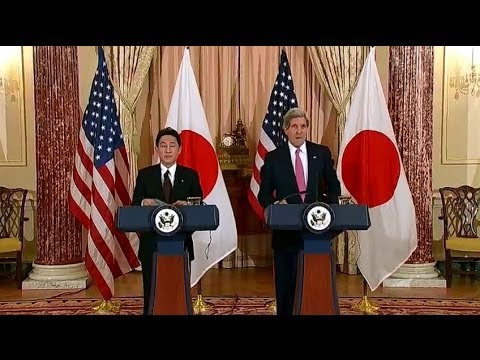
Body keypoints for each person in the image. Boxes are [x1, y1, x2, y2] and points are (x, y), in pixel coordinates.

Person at [257, 107, 341, 315]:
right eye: (294, 126)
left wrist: (329, 207)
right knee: (287, 290)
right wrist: (275, 205)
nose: (299, 131)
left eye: (303, 126)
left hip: (317, 232)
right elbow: (264, 194)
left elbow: (334, 186)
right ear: (286, 129)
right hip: (286, 236)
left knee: (316, 284)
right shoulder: (274, 158)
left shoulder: (320, 153)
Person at [132, 127, 203, 315]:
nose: (168, 150)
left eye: (172, 145)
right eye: (163, 146)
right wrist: (143, 202)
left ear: (180, 149)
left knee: (178, 290)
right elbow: (134, 206)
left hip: (181, 245)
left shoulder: (190, 176)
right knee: (152, 291)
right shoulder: (145, 175)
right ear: (157, 149)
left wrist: (187, 206)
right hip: (151, 246)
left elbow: (199, 207)